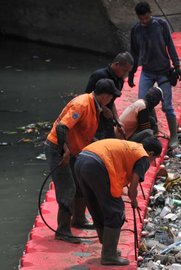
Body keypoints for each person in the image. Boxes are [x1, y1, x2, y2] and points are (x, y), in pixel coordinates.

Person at [44, 79, 121, 243]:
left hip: (74, 149)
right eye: (111, 97)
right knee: (68, 189)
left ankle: (78, 219)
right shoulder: (82, 105)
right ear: (106, 96)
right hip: (59, 148)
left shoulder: (95, 106)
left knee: (80, 183)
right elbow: (61, 127)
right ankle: (63, 231)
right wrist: (64, 150)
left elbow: (82, 130)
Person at [74, 137, 162, 265]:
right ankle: (109, 254)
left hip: (81, 159)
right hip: (96, 164)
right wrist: (134, 201)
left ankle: (109, 247)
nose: (151, 162)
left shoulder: (133, 147)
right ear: (151, 153)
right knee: (115, 210)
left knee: (95, 204)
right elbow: (133, 186)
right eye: (153, 159)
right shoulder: (143, 156)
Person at [128, 1, 181, 150]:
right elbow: (134, 52)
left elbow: (170, 45)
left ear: (150, 13)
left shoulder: (161, 24)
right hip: (146, 71)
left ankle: (173, 136)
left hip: (163, 71)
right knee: (143, 104)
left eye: (146, 18)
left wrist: (177, 66)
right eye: (141, 19)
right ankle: (154, 130)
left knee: (167, 105)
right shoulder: (136, 30)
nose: (144, 21)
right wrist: (132, 72)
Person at [85, 52, 133, 139]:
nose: (126, 75)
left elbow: (112, 102)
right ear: (117, 64)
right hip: (93, 117)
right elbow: (87, 97)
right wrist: (103, 108)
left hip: (108, 119)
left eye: (128, 72)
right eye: (124, 71)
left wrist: (118, 121)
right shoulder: (99, 75)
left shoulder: (120, 80)